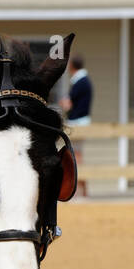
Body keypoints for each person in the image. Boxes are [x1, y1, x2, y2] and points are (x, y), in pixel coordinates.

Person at [60, 54, 92, 198]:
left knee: (76, 157)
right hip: (81, 120)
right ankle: (83, 191)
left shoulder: (80, 82)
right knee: (78, 156)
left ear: (72, 66)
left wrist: (63, 104)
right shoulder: (84, 81)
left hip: (78, 122)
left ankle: (81, 192)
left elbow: (68, 105)